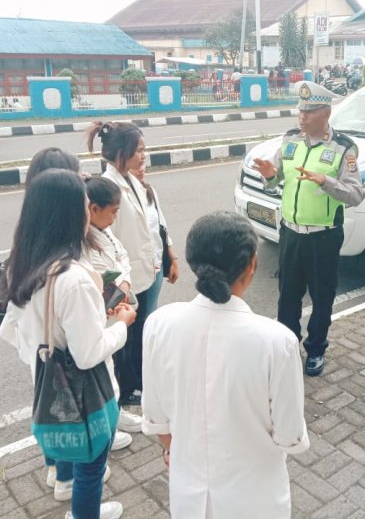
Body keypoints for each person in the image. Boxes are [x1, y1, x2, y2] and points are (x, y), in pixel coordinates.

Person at [141, 211, 310, 518]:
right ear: (251, 265)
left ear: (193, 262)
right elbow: (290, 436)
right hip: (255, 501)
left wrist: (170, 451)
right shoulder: (277, 342)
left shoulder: (158, 324)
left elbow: (157, 419)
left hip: (189, 497)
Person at [0, 169, 136, 519]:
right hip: (86, 392)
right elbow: (88, 354)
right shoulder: (72, 277)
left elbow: (17, 326)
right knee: (90, 470)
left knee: (75, 457)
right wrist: (121, 324)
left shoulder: (21, 262)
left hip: (46, 377)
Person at [252, 81, 365, 376]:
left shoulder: (343, 148)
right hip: (290, 233)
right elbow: (278, 179)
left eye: (310, 111)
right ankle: (287, 347)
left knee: (322, 295)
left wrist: (325, 181)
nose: (302, 117)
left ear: (326, 112)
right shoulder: (290, 141)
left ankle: (316, 349)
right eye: (300, 111)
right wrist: (270, 176)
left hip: (323, 236)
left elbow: (354, 195)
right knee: (287, 295)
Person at [87, 122, 157, 408]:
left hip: (142, 271)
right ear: (122, 152)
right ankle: (126, 390)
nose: (143, 155)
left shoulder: (131, 179)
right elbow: (110, 243)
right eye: (138, 150)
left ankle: (136, 382)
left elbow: (148, 225)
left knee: (138, 334)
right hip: (126, 281)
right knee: (123, 338)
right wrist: (123, 283)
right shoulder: (108, 188)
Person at [84, 175, 145, 437]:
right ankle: (103, 427)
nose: (115, 217)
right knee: (100, 371)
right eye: (113, 211)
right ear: (93, 209)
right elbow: (99, 273)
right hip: (102, 312)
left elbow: (122, 256)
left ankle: (115, 415)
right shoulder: (81, 241)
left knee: (110, 368)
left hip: (117, 304)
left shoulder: (104, 230)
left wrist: (125, 285)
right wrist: (120, 286)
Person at [129, 162, 180, 286]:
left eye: (142, 163)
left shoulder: (149, 191)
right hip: (133, 271)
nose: (141, 169)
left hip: (156, 266)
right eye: (135, 166)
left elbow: (161, 226)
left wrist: (172, 259)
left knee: (151, 305)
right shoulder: (121, 197)